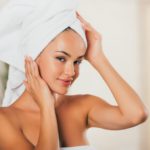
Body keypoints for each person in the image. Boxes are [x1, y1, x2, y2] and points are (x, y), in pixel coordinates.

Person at [0, 12, 148, 150]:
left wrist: (98, 58)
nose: (71, 72)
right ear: (31, 57)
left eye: (77, 61)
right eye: (61, 58)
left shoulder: (82, 106)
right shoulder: (4, 121)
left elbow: (136, 115)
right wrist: (46, 106)